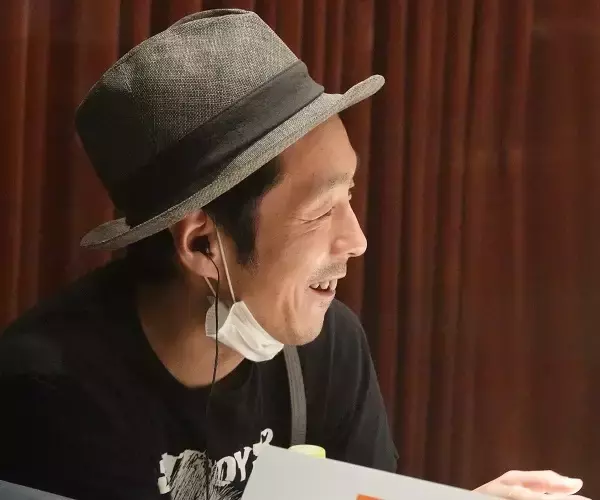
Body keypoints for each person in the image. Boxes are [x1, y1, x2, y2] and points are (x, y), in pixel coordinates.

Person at [0, 8, 589, 500]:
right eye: (321, 209)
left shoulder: (327, 347)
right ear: (202, 243)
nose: (356, 240)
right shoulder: (48, 396)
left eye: (350, 194)